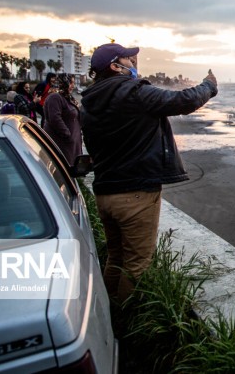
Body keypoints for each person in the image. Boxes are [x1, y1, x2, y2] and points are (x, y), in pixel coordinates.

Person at [81, 43, 218, 303]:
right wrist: (208, 86)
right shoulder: (132, 92)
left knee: (116, 258)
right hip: (135, 193)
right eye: (128, 59)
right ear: (115, 66)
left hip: (104, 192)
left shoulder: (89, 100)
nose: (133, 62)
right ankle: (125, 325)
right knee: (136, 266)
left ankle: (106, 314)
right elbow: (182, 101)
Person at [43, 74, 82, 165]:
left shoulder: (67, 98)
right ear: (63, 83)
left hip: (70, 145)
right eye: (71, 83)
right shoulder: (55, 97)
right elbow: (55, 118)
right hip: (62, 144)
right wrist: (68, 135)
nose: (73, 86)